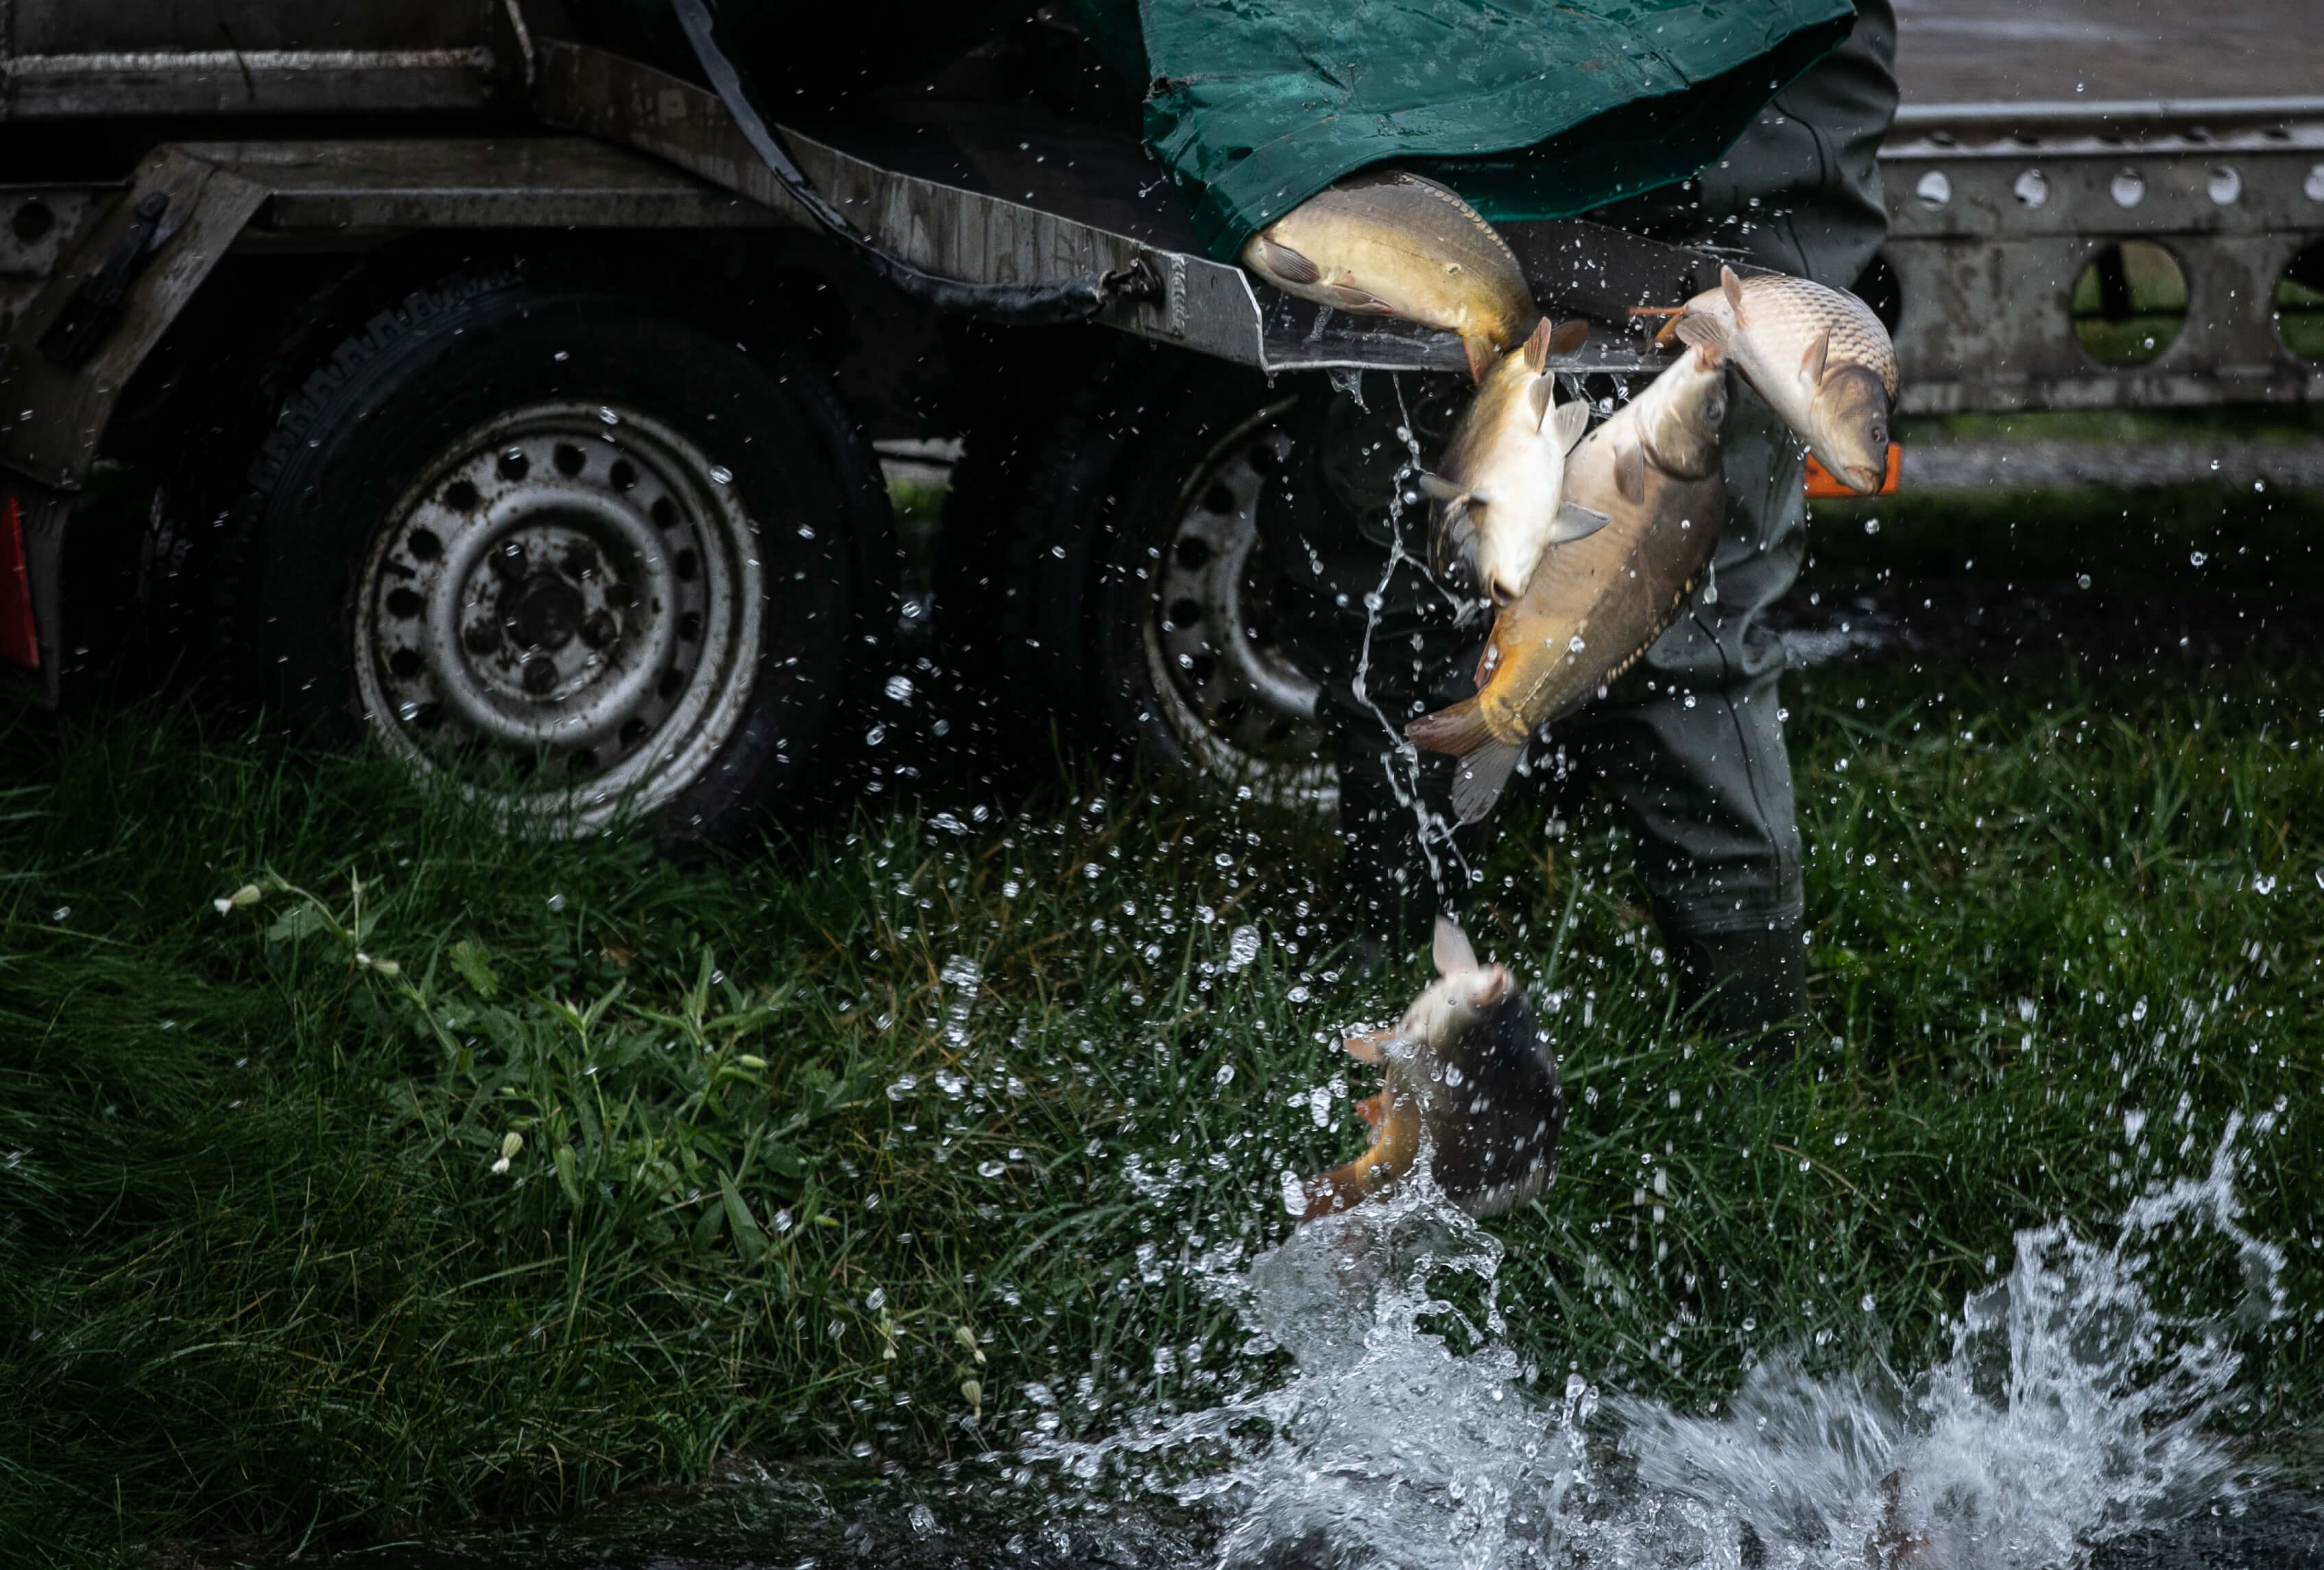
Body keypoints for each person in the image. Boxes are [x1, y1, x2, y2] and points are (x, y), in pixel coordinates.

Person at [1254, 3, 1900, 1059]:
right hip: (1447, 100)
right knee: (1390, 558)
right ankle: (1395, 975)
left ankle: (1754, 1060)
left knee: (1694, 633)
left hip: (1741, 105)